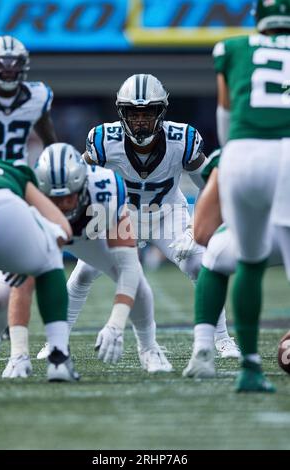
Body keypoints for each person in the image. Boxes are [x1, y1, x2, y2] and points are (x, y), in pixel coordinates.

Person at [80, 73, 239, 358]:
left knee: (200, 266)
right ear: (121, 113)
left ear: (161, 112)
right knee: (83, 272)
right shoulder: (105, 139)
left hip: (167, 213)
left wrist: (196, 227)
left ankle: (222, 339)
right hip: (122, 215)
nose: (140, 121)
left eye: (147, 113)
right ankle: (54, 343)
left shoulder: (183, 139)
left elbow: (210, 187)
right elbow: (79, 178)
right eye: (133, 113)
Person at [4, 143, 172, 375]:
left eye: (69, 197)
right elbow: (23, 283)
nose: (62, 205)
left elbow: (128, 266)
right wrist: (19, 352)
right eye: (55, 198)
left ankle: (149, 348)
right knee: (0, 294)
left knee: (139, 283)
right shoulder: (25, 196)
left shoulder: (106, 190)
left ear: (83, 185)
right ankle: (15, 354)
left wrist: (116, 324)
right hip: (47, 233)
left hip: (92, 234)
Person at [211, 0, 290, 392]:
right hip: (287, 150)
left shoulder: (232, 47)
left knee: (249, 262)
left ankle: (250, 367)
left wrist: (230, 157)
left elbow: (225, 112)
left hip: (241, 153)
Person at [183, 149, 283, 379]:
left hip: (258, 238)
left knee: (214, 256)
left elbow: (202, 232)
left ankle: (207, 351)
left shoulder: (232, 154)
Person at [0, 35, 57, 371]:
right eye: (1, 63)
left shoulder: (37, 96)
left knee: (10, 283)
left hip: (16, 186)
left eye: (13, 63)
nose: (7, 70)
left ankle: (5, 346)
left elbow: (49, 140)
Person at [0, 157, 79, 381]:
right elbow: (63, 230)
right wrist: (25, 262)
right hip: (4, 206)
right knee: (49, 259)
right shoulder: (9, 168)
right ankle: (58, 356)